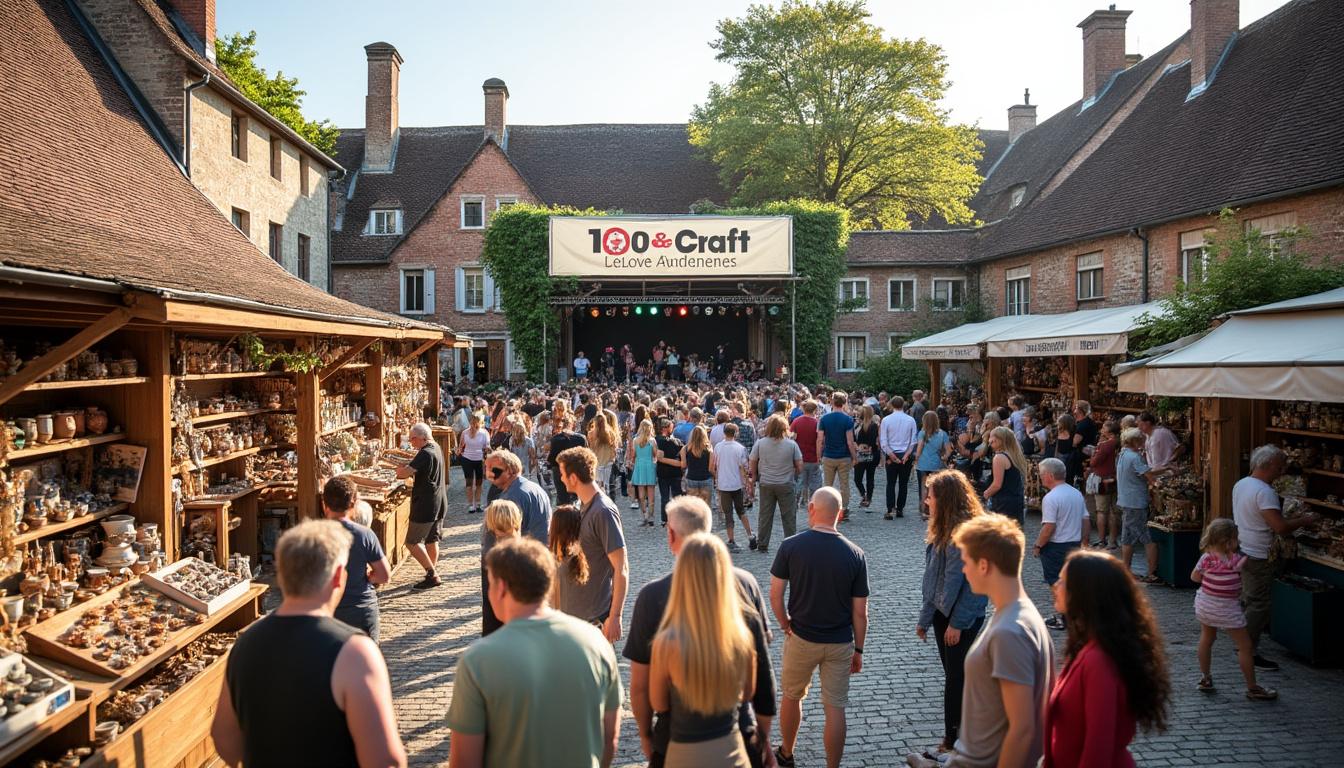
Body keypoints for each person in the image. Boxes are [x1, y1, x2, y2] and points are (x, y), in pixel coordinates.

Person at [213, 520, 407, 768]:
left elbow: (224, 739)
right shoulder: (355, 651)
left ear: (281, 575)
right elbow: (385, 761)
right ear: (338, 577)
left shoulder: (245, 644)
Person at [625, 496, 778, 768]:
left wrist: (647, 736)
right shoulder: (747, 585)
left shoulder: (651, 597)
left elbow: (642, 689)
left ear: (671, 534)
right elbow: (761, 680)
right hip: (737, 735)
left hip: (674, 740)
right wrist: (763, 737)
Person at [446, 538, 622, 768]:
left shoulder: (478, 661)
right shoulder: (596, 643)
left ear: (501, 588)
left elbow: (465, 760)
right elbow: (610, 737)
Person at [908, 513, 1054, 768]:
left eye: (966, 562)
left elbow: (1022, 729)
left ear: (984, 565)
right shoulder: (1019, 616)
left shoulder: (1010, 632)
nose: (964, 570)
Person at [770, 487, 869, 768]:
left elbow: (775, 594)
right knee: (835, 707)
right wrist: (858, 649)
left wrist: (784, 623)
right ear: (840, 513)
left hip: (801, 636)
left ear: (811, 508)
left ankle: (787, 753)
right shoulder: (856, 554)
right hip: (840, 642)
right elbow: (860, 612)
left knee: (792, 696)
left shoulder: (791, 546)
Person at [1045, 550, 1172, 767]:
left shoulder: (1098, 661)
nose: (1056, 586)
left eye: (1063, 581)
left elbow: (1098, 746)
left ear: (1086, 594)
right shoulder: (1088, 647)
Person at [648, 532, 757, 768]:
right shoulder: (741, 636)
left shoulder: (666, 642)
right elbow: (747, 694)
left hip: (683, 754)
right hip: (732, 752)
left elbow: (659, 704)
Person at [913, 471, 988, 762]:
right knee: (956, 678)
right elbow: (935, 579)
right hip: (945, 615)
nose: (926, 500)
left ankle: (954, 742)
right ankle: (961, 739)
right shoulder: (945, 528)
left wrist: (957, 622)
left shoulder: (965, 534)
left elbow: (972, 587)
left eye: (930, 495)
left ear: (944, 499)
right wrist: (925, 618)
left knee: (957, 680)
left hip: (960, 618)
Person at [1231, 444, 1318, 671]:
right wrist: (1304, 520)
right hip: (1259, 552)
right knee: (1258, 604)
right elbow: (1280, 527)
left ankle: (1244, 643)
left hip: (1244, 547)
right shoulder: (1264, 491)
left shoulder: (1241, 484)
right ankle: (1247, 649)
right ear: (1268, 465)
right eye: (1279, 467)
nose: (1281, 472)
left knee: (1250, 599)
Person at [1191, 518, 1278, 700]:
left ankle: (1205, 678)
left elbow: (1195, 578)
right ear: (1228, 541)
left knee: (1207, 639)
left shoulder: (1206, 558)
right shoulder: (1236, 560)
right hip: (1227, 609)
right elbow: (1240, 577)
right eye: (1236, 539)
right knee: (1245, 646)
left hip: (1206, 605)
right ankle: (1252, 688)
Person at [556, 446, 629, 641]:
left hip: (594, 619)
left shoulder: (603, 512)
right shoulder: (582, 505)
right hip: (576, 617)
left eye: (563, 474)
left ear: (573, 478)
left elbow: (621, 569)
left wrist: (615, 617)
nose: (561, 479)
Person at [481, 449, 553, 635]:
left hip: (513, 567)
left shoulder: (514, 497)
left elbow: (506, 536)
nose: (489, 474)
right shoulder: (532, 488)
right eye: (487, 468)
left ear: (511, 471)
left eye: (494, 469)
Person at [321, 477, 390, 642]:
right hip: (361, 609)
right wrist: (367, 576)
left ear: (324, 504)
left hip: (328, 612)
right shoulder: (364, 534)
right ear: (354, 503)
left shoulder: (313, 536)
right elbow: (384, 576)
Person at [1032, 458, 1090, 631]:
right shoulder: (1076, 493)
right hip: (1073, 543)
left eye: (1041, 474)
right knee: (1071, 582)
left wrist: (1038, 546)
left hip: (1056, 547)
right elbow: (1085, 520)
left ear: (1049, 475)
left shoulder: (1051, 498)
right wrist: (1084, 541)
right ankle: (1073, 615)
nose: (1040, 478)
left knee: (1056, 583)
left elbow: (1049, 527)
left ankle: (1064, 618)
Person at [395, 423, 449, 590]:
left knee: (411, 541)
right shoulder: (436, 447)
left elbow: (404, 473)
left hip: (426, 504)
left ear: (422, 437)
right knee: (432, 541)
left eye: (413, 438)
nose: (411, 442)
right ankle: (430, 571)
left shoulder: (425, 453)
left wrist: (398, 469)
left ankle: (432, 575)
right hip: (439, 501)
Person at [1115, 428, 1163, 583]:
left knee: (1127, 538)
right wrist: (1160, 481)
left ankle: (1126, 570)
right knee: (1147, 538)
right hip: (1136, 502)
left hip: (1126, 501)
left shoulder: (1122, 454)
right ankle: (1152, 573)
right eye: (1141, 440)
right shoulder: (1135, 457)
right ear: (1135, 441)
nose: (1143, 443)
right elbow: (1150, 477)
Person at [751, 413, 803, 555]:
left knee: (765, 515)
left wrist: (755, 475)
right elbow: (799, 465)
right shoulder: (792, 445)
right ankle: (791, 542)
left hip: (766, 482)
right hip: (786, 483)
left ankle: (762, 544)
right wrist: (794, 473)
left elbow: (753, 460)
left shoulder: (760, 443)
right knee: (789, 516)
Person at [711, 421, 755, 552]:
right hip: (736, 484)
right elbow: (744, 467)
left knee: (728, 513)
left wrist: (717, 478)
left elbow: (714, 465)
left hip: (723, 484)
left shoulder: (718, 447)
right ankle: (750, 535)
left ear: (724, 433)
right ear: (735, 433)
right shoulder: (740, 448)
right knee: (741, 511)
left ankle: (731, 540)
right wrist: (748, 483)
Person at [817, 392, 858, 519]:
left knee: (827, 484)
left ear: (832, 402)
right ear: (844, 402)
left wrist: (819, 455)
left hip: (828, 455)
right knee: (844, 484)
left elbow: (820, 439)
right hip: (844, 456)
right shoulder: (848, 420)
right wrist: (854, 457)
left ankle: (827, 509)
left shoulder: (824, 419)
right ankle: (844, 509)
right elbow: (850, 441)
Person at [880, 395, 919, 519]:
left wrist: (891, 455)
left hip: (891, 453)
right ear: (903, 405)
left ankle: (890, 508)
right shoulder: (910, 420)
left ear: (891, 405)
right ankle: (900, 509)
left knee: (890, 482)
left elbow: (883, 441)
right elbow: (913, 440)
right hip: (905, 454)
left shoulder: (886, 420)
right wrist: (907, 454)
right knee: (903, 483)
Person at [982, 426, 1027, 526]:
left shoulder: (999, 458)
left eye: (992, 436)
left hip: (1003, 503)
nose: (989, 439)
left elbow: (997, 485)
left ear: (1000, 439)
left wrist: (984, 495)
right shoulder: (1014, 455)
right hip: (1016, 500)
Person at [1088, 420, 1120, 549]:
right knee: (1114, 512)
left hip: (1103, 480)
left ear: (1109, 432)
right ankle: (1113, 540)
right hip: (1116, 480)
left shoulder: (1105, 445)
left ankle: (1102, 540)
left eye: (1103, 428)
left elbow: (1094, 462)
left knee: (1102, 511)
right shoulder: (1121, 443)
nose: (1101, 430)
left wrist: (1094, 452)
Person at [915, 410, 952, 519]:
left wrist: (916, 458)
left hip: (923, 464)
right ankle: (934, 509)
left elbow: (919, 448)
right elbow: (948, 450)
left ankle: (924, 510)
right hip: (936, 464)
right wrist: (944, 457)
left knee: (923, 487)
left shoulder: (922, 433)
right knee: (935, 488)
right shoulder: (942, 434)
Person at [548, 415, 589, 506]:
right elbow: (586, 456)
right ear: (573, 424)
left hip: (559, 470)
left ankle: (565, 515)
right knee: (575, 496)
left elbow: (551, 459)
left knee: (562, 497)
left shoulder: (555, 439)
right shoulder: (581, 438)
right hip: (576, 470)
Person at [789, 401, 822, 514]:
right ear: (815, 410)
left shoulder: (796, 421)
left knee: (800, 482)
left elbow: (791, 438)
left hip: (799, 458)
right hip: (813, 457)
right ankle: (813, 505)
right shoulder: (817, 423)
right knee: (815, 483)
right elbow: (820, 440)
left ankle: (795, 503)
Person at [456, 413, 491, 515]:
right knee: (469, 483)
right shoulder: (465, 433)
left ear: (479, 423)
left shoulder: (484, 433)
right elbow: (461, 446)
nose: (474, 425)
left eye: (476, 422)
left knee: (478, 483)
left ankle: (477, 504)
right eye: (472, 422)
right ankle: (472, 505)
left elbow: (487, 445)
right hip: (467, 459)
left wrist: (488, 449)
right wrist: (459, 451)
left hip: (479, 460)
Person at [654, 417, 686, 526]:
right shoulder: (677, 442)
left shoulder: (657, 440)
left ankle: (665, 519)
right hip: (675, 472)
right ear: (666, 428)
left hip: (663, 473)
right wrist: (677, 463)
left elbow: (659, 457)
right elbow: (682, 460)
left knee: (665, 497)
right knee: (677, 496)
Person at [629, 419, 659, 526]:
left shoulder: (635, 440)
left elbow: (634, 455)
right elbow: (655, 455)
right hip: (650, 466)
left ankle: (644, 515)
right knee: (651, 493)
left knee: (641, 494)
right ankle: (651, 516)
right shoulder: (652, 441)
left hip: (639, 466)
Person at [852, 405, 880, 510]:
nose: (857, 414)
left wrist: (861, 446)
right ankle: (864, 495)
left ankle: (868, 498)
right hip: (860, 454)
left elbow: (872, 442)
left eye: (859, 412)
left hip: (869, 455)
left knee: (870, 477)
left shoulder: (872, 425)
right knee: (857, 478)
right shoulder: (856, 424)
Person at [680, 424, 715, 506]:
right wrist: (715, 476)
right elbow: (710, 468)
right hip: (705, 478)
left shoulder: (685, 449)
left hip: (692, 478)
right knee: (706, 507)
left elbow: (683, 466)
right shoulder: (709, 449)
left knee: (693, 507)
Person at [588, 410, 620, 495]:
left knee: (597, 488)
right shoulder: (611, 434)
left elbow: (590, 449)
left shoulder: (591, 434)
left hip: (597, 463)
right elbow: (614, 450)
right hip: (608, 463)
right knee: (608, 487)